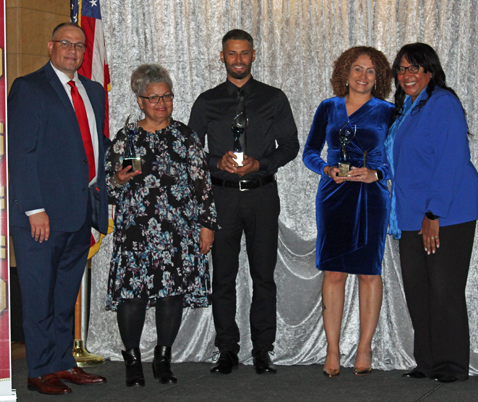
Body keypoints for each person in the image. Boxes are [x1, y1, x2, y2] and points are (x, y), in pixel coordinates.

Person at [188, 29, 299, 375]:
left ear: (253, 55)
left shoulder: (274, 98)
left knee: (263, 276)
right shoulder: (207, 101)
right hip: (220, 198)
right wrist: (214, 161)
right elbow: (191, 152)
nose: (238, 60)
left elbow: (291, 146)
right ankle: (226, 350)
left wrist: (261, 164)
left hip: (262, 194)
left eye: (244, 53)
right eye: (231, 54)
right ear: (222, 56)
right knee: (223, 276)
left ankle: (263, 350)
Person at [8, 22, 109, 395]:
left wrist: (116, 168)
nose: (73, 50)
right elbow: (21, 153)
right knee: (39, 295)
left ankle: (63, 362)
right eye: (66, 43)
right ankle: (39, 371)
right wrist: (34, 209)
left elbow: (95, 144)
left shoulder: (94, 91)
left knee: (65, 295)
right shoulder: (29, 88)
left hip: (80, 210)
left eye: (79, 46)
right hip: (41, 216)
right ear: (51, 46)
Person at [105, 64, 217, 387]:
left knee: (172, 294)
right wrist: (118, 179)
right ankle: (133, 362)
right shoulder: (127, 139)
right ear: (139, 101)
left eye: (166, 96)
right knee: (132, 296)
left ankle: (163, 359)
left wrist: (206, 225)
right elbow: (108, 190)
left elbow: (203, 185)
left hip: (178, 232)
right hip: (136, 232)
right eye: (153, 98)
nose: (161, 103)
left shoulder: (185, 136)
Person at [386, 43, 478, 383]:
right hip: (411, 214)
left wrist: (434, 215)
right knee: (418, 292)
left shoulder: (443, 102)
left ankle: (452, 366)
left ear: (431, 72)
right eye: (402, 69)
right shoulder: (406, 109)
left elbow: (451, 160)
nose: (407, 75)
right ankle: (427, 362)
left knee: (444, 291)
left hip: (448, 213)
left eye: (415, 68)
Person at [303, 47, 394, 377]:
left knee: (370, 272)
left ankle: (365, 347)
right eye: (357, 69)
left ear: (379, 77)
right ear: (345, 71)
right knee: (334, 273)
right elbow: (310, 151)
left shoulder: (388, 111)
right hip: (333, 196)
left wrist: (377, 174)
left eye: (371, 71)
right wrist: (326, 169)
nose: (363, 76)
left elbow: (395, 156)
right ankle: (332, 349)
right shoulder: (328, 107)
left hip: (371, 197)